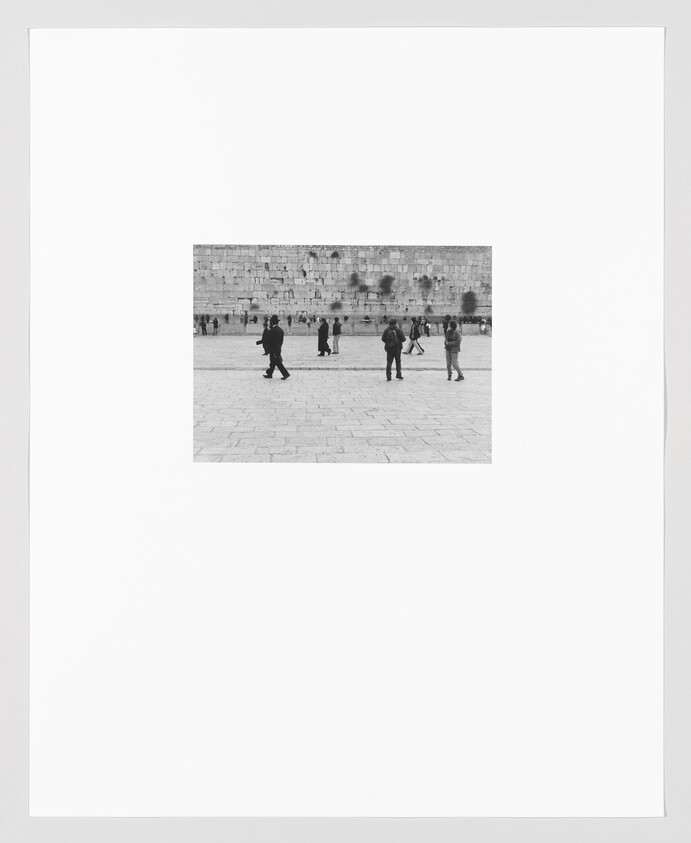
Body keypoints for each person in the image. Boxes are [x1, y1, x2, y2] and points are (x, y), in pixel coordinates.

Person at [262, 315, 290, 380]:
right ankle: (269, 374)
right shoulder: (280, 330)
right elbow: (281, 341)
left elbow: (268, 339)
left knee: (278, 363)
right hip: (278, 348)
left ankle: (286, 374)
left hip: (273, 349)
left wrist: (259, 342)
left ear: (272, 323)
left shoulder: (273, 330)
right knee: (272, 362)